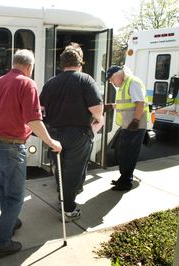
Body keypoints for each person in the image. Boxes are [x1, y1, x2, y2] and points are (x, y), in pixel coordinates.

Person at [0, 49, 62, 259]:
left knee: (4, 188)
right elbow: (34, 121)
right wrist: (51, 142)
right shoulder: (28, 84)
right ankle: (1, 243)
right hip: (12, 146)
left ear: (15, 63)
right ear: (29, 66)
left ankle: (11, 221)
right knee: (16, 195)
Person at [40, 43, 104, 222]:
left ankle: (64, 197)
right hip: (78, 134)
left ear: (62, 64)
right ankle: (68, 208)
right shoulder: (86, 80)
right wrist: (99, 119)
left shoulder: (51, 82)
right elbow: (97, 108)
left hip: (54, 133)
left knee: (59, 168)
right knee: (74, 170)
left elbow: (40, 108)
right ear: (80, 62)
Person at [106, 65, 150, 191]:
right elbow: (126, 103)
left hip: (134, 126)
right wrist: (110, 106)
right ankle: (124, 178)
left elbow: (140, 103)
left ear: (118, 75)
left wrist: (135, 121)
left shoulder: (133, 82)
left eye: (111, 79)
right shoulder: (125, 84)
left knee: (128, 154)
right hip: (128, 125)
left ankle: (126, 182)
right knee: (123, 152)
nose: (111, 82)